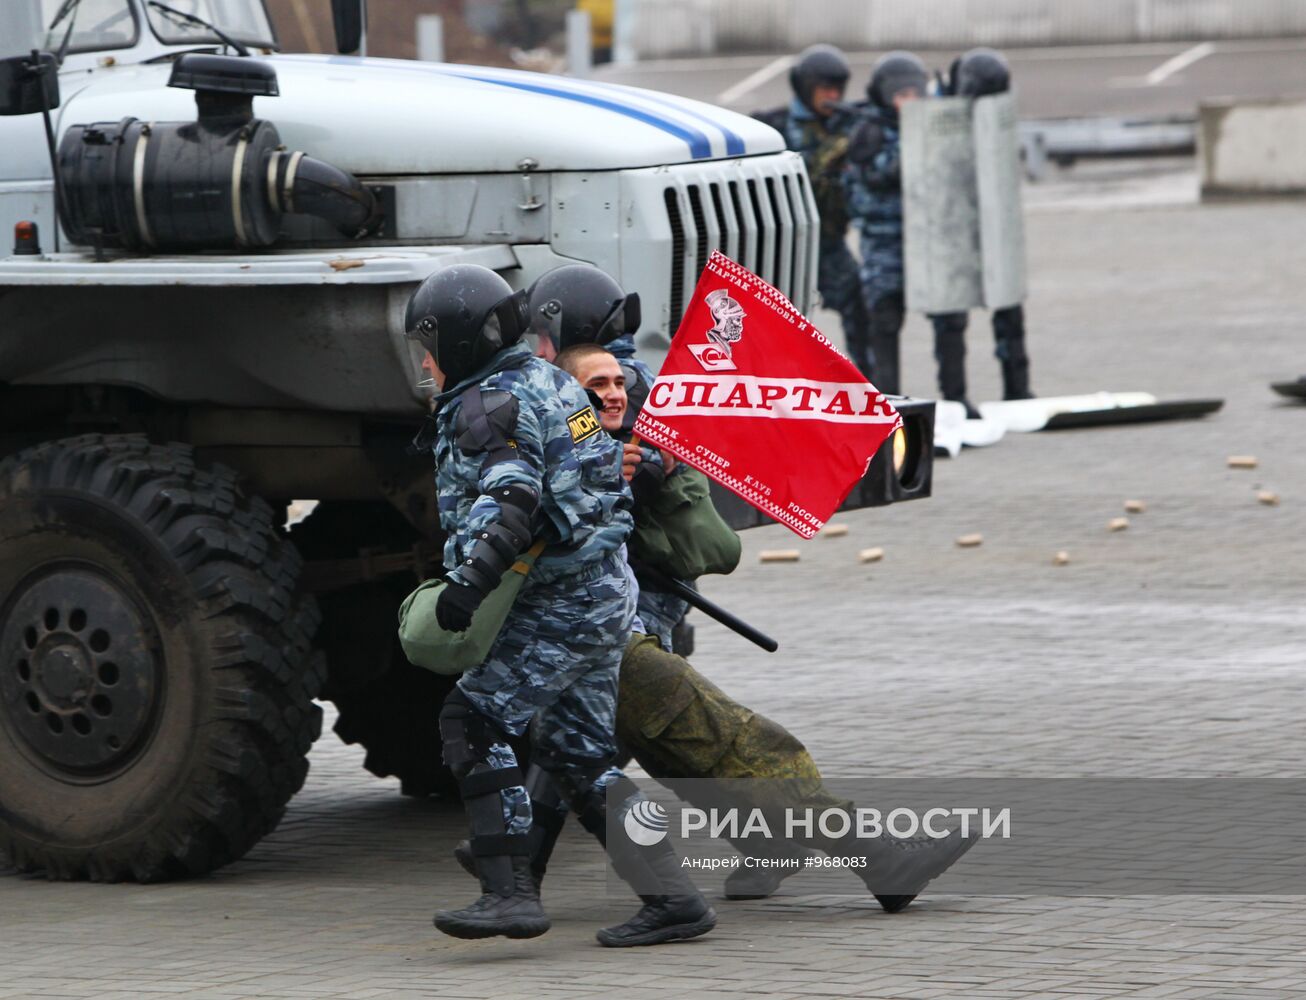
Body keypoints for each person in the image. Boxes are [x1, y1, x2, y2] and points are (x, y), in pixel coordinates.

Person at [468, 342, 977, 912]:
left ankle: (515, 881)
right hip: (598, 641)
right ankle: (878, 859)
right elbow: (534, 526)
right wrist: (608, 476)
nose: (614, 394)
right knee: (738, 744)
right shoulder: (555, 456)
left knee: (605, 754)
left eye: (617, 383)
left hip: (594, 642)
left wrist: (629, 471)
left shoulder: (584, 445)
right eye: (597, 386)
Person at [405, 264, 716, 947]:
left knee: (472, 718)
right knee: (578, 755)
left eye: (425, 346)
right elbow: (598, 471)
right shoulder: (553, 383)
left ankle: (508, 893)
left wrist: (467, 590)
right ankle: (673, 899)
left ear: (455, 341)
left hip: (564, 601)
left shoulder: (484, 405)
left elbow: (512, 497)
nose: (424, 364)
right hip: (608, 593)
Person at [753, 44, 874, 377]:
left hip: (829, 244)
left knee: (861, 304)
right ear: (806, 88)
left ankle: (870, 385)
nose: (831, 96)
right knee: (779, 321)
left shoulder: (850, 124)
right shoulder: (772, 126)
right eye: (825, 88)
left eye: (837, 89)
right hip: (784, 247)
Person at [929, 47, 1035, 405]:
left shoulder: (994, 111)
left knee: (1008, 306)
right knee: (951, 318)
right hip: (951, 228)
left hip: (990, 224)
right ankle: (955, 397)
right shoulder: (932, 113)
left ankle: (1017, 390)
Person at [841, 51, 928, 400]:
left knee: (949, 320)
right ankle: (889, 402)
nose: (909, 102)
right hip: (884, 242)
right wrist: (914, 141)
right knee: (885, 320)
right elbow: (877, 175)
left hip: (927, 238)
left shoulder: (927, 124)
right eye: (901, 95)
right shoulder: (869, 131)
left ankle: (956, 396)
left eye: (915, 94)